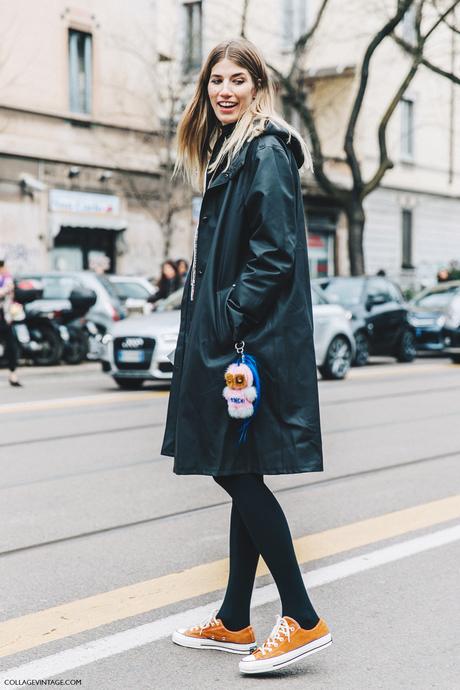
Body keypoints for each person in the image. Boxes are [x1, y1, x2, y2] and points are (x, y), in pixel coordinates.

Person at [161, 39, 331, 675]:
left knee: (233, 470)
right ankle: (236, 618)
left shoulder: (263, 151)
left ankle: (302, 614)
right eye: (215, 81)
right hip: (234, 336)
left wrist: (225, 314)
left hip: (245, 342)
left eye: (238, 79)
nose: (224, 90)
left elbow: (276, 253)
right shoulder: (229, 152)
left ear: (259, 87)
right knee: (240, 467)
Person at [0, 259, 21, 386]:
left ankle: (13, 375)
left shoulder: (6, 279)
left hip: (4, 318)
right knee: (11, 346)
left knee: (12, 346)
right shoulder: (6, 280)